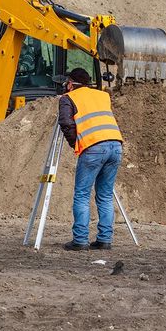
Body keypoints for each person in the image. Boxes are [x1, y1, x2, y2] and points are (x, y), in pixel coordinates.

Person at [58, 68, 124, 251]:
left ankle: (80, 240)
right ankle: (105, 239)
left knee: (82, 195)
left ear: (71, 83)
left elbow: (65, 122)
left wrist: (75, 143)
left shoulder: (68, 98)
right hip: (116, 145)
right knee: (104, 195)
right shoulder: (102, 96)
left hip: (93, 147)